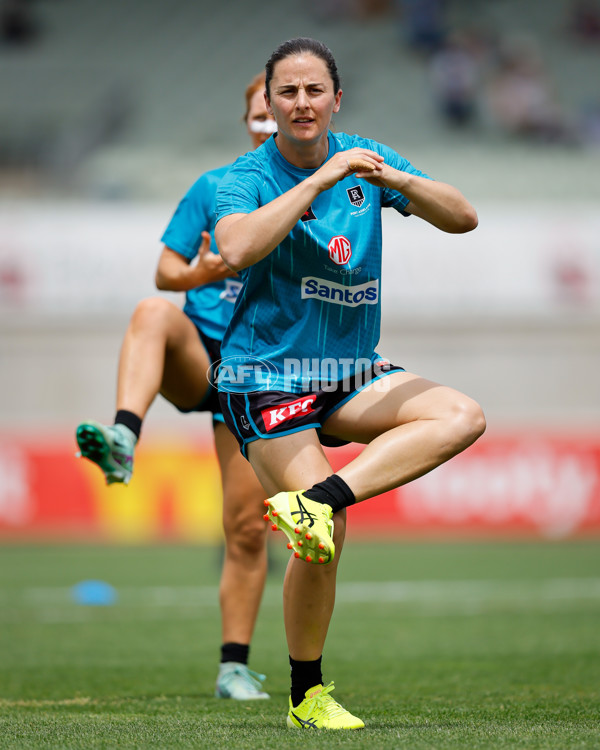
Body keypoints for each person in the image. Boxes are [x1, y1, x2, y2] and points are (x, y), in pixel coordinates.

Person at [215, 37, 485, 729]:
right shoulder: (245, 176)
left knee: (461, 416)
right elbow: (238, 247)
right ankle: (308, 698)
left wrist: (399, 182)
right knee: (325, 536)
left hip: (348, 373)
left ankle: (320, 499)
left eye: (314, 90)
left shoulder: (370, 158)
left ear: (337, 99)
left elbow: (463, 216)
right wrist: (316, 180)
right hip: (266, 375)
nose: (301, 102)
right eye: (288, 92)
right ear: (269, 105)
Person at [75, 73, 278, 701]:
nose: (272, 122)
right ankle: (124, 438)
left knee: (246, 528)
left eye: (283, 110)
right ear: (248, 121)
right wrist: (202, 268)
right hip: (204, 353)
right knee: (152, 312)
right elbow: (166, 270)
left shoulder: (320, 192)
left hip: (266, 367)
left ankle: (233, 668)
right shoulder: (215, 188)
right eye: (261, 114)